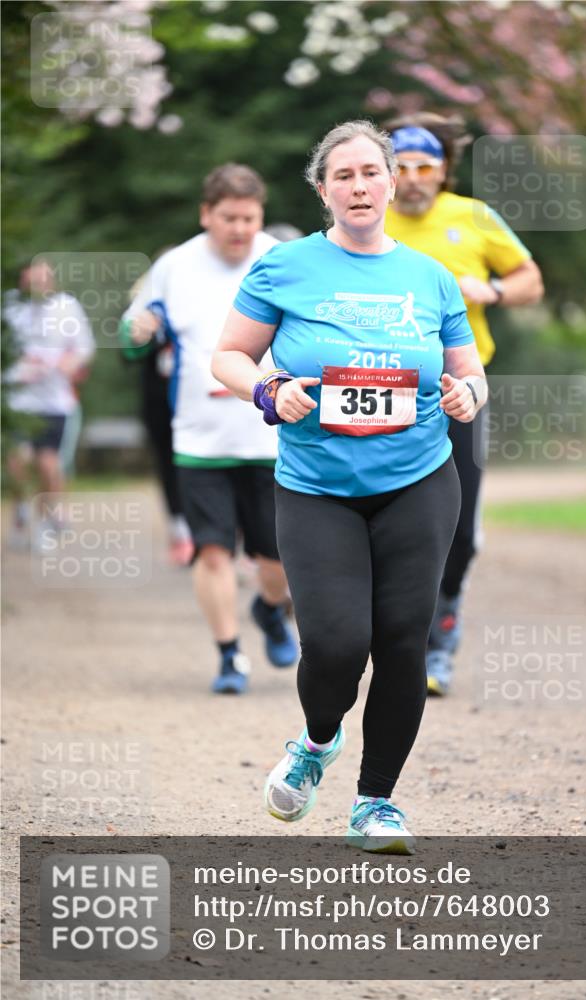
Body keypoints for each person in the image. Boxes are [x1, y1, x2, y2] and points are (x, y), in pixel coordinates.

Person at [211, 120, 487, 853]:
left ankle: (375, 804)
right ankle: (317, 740)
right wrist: (268, 391)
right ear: (323, 190)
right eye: (344, 176)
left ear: (393, 182)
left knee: (402, 640)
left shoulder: (428, 276)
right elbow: (229, 358)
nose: (359, 186)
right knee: (336, 643)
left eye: (371, 172)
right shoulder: (284, 268)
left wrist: (468, 395)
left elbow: (467, 369)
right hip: (316, 484)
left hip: (419, 479)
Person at [119, 164, 298, 694]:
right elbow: (132, 341)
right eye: (228, 218)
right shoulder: (173, 267)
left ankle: (270, 609)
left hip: (271, 436)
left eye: (249, 217)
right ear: (206, 215)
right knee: (212, 550)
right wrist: (139, 332)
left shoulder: (283, 260)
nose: (240, 228)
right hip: (199, 438)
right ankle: (228, 655)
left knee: (278, 558)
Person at [384, 113, 544, 696]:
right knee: (383, 518)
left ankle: (440, 636)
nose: (414, 178)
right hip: (381, 393)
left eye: (425, 167)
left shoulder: (473, 218)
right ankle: (385, 635)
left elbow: (530, 279)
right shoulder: (365, 220)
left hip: (460, 394)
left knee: (459, 530)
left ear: (444, 169)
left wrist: (493, 290)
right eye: (401, 167)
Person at [4, 259, 96, 549]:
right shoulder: (9, 307)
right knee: (17, 460)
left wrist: (66, 365)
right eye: (34, 280)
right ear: (23, 279)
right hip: (17, 400)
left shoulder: (67, 307)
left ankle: (46, 521)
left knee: (47, 464)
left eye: (45, 279)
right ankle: (20, 509)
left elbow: (84, 348)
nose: (40, 285)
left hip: (54, 402)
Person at [123, 252, 193, 567]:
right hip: (159, 401)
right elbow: (127, 354)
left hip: (198, 401)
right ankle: (179, 528)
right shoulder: (145, 304)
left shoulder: (203, 299)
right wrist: (143, 335)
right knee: (168, 463)